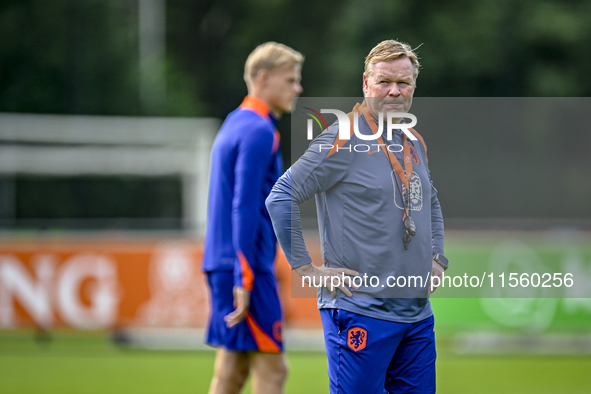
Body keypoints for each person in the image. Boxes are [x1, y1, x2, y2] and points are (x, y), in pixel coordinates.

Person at [266, 39, 448, 394]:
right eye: (384, 82)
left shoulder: (413, 141)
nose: (394, 91)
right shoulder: (342, 136)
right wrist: (307, 269)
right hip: (360, 310)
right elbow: (281, 195)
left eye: (404, 83)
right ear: (366, 84)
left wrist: (438, 258)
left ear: (413, 87)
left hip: (416, 315)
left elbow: (431, 200)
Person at [202, 42, 303, 394]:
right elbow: (244, 206)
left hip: (224, 262)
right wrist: (244, 277)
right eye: (290, 80)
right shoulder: (260, 130)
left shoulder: (234, 122)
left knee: (231, 372)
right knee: (273, 372)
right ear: (263, 78)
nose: (297, 88)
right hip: (245, 269)